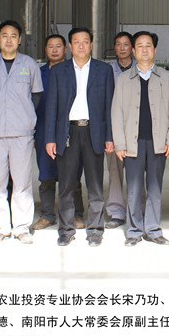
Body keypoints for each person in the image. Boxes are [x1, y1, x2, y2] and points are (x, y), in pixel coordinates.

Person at [44, 27, 115, 246]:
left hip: (94, 131)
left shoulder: (103, 70)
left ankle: (95, 229)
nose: (81, 45)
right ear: (70, 46)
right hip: (68, 132)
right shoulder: (59, 71)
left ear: (91, 44)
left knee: (95, 185)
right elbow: (51, 106)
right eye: (76, 42)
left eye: (85, 41)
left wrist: (109, 136)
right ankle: (66, 229)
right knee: (66, 184)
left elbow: (109, 106)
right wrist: (50, 138)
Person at [0, 20, 43, 244]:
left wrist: (23, 115)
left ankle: (22, 227)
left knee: (22, 182)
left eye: (13, 35)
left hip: (22, 132)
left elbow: (36, 96)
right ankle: (1, 227)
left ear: (19, 39)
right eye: (4, 35)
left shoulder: (29, 64)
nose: (9, 40)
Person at [111, 31, 169, 246]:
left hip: (158, 143)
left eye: (148, 45)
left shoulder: (166, 78)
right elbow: (116, 112)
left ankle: (153, 229)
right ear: (134, 51)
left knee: (155, 188)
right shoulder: (123, 79)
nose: (144, 49)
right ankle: (133, 231)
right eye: (139, 46)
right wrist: (120, 143)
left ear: (154, 50)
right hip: (132, 143)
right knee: (133, 188)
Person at [32, 34, 85, 231]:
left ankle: (76, 213)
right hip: (44, 128)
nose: (54, 50)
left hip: (70, 129)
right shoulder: (38, 73)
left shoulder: (74, 70)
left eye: (58, 46)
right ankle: (47, 214)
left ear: (65, 48)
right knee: (46, 173)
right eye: (50, 46)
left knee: (72, 172)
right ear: (45, 50)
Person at [105, 31, 134, 229]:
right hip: (114, 130)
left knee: (136, 173)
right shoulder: (107, 71)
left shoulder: (141, 68)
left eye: (126, 44)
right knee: (115, 173)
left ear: (132, 47)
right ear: (114, 48)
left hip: (136, 129)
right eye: (118, 44)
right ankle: (116, 212)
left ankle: (137, 210)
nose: (122, 48)